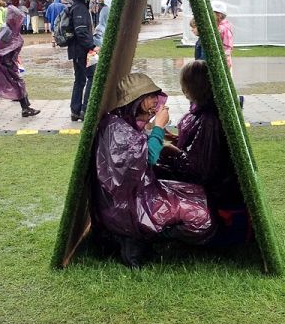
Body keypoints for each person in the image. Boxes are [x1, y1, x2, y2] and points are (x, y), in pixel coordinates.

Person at [92, 72, 217, 268]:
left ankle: (139, 234)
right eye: (150, 96)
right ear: (136, 99)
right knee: (202, 218)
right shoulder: (116, 128)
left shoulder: (121, 121)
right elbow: (147, 157)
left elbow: (136, 148)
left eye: (155, 95)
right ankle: (137, 236)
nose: (155, 102)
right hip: (128, 207)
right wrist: (158, 127)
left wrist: (162, 142)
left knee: (198, 193)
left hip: (140, 193)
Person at [161, 60, 250, 245]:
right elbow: (201, 149)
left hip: (214, 191)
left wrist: (175, 153)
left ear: (193, 86)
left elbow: (201, 170)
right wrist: (178, 140)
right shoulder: (206, 113)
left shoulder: (209, 120)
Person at [0, 6, 40, 118]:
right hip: (3, 63)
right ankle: (25, 108)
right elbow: (1, 48)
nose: (21, 21)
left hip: (5, 62)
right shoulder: (7, 30)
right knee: (18, 82)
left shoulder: (10, 29)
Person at [67, 0, 100, 121]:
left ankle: (75, 110)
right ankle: (85, 108)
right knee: (91, 77)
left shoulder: (79, 7)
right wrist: (92, 46)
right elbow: (81, 31)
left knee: (79, 80)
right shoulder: (79, 8)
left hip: (77, 50)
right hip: (82, 51)